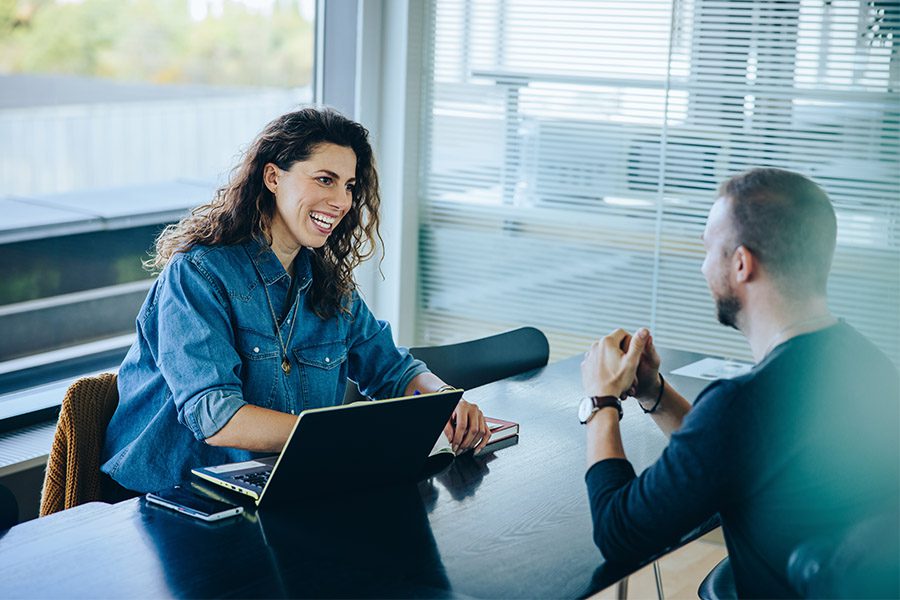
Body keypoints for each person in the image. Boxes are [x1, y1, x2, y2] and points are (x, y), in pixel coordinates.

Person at [101, 107, 490, 494]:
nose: (342, 202)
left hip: (280, 482)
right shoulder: (198, 275)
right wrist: (340, 438)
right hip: (167, 497)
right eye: (325, 180)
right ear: (273, 177)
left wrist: (443, 402)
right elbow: (216, 417)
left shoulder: (329, 285)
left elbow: (393, 370)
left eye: (350, 186)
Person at [578, 168, 899, 598]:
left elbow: (619, 534)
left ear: (742, 263)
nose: (702, 264)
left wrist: (601, 401)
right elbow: (735, 452)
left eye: (708, 249)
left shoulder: (743, 404)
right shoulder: (866, 362)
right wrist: (653, 392)